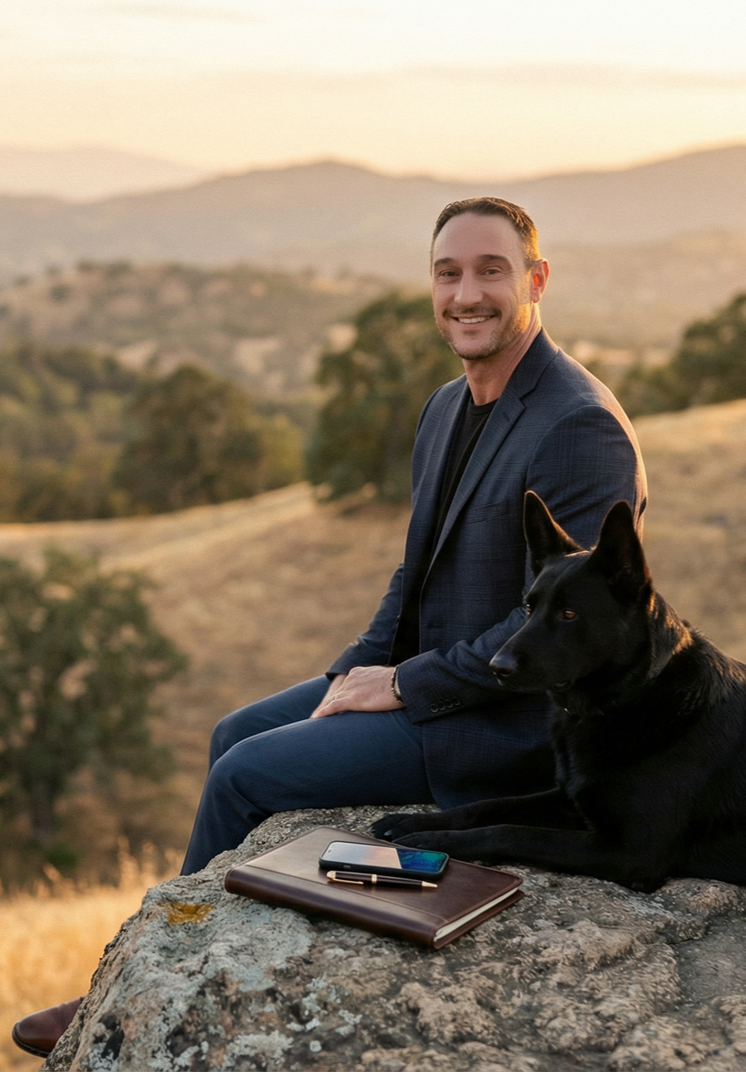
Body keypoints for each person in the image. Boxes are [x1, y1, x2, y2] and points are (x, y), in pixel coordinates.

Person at [13, 196, 647, 1058]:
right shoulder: (443, 409)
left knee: (245, 776)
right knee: (236, 729)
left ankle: (133, 981)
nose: (466, 293)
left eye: (490, 271)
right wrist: (343, 678)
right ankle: (170, 961)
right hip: (432, 690)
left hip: (507, 728)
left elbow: (557, 631)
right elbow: (412, 582)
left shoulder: (577, 426)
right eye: (448, 272)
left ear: (535, 280)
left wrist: (402, 686)